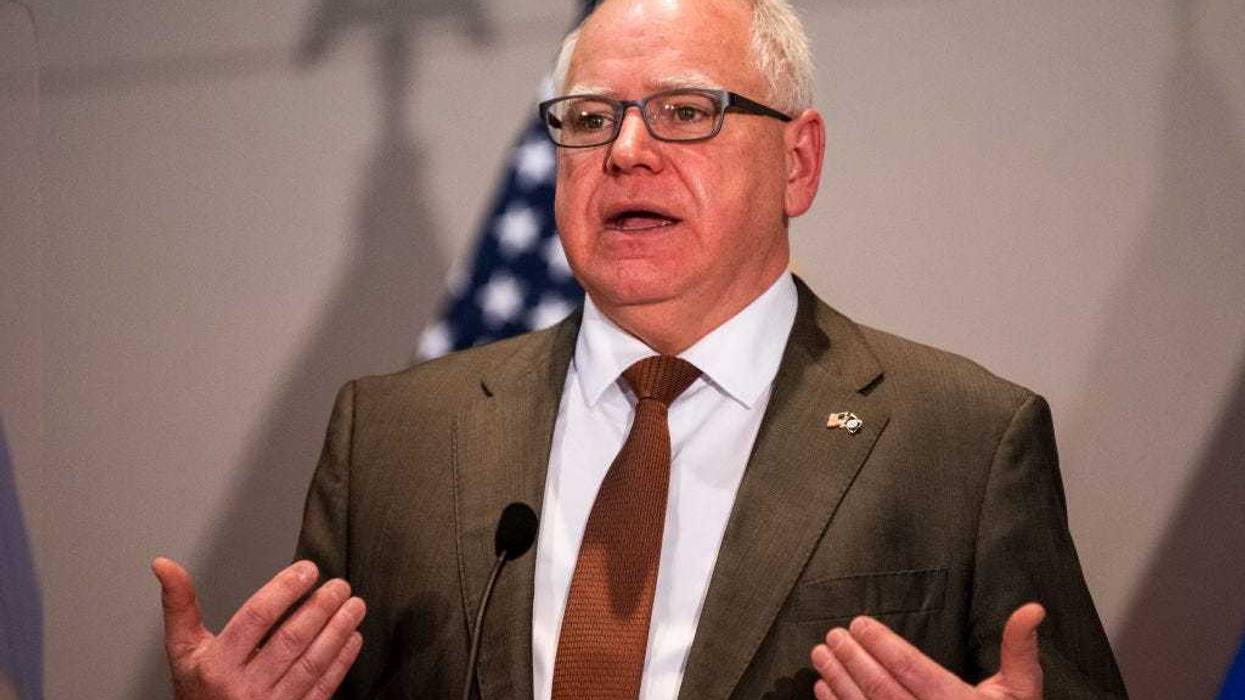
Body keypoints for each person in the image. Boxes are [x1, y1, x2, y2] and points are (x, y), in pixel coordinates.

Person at [152, 0, 1129, 697]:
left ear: (798, 160)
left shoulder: (961, 442)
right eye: (589, 120)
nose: (624, 152)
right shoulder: (391, 436)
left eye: (686, 111)